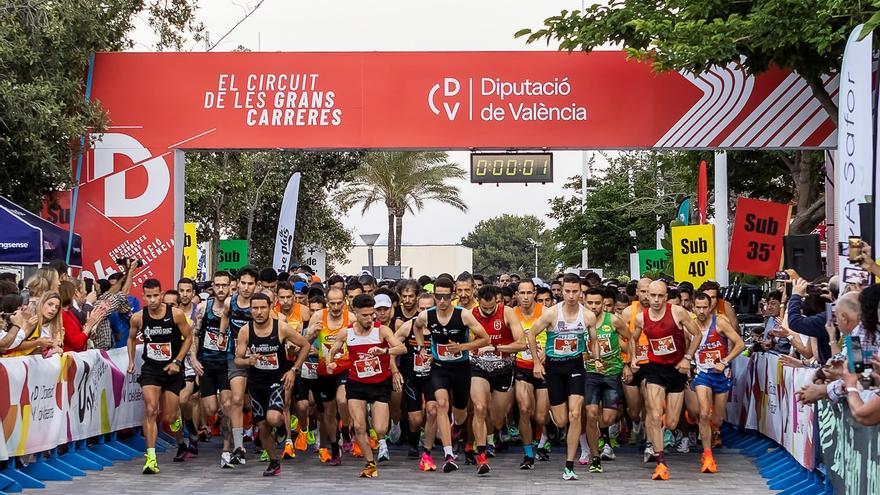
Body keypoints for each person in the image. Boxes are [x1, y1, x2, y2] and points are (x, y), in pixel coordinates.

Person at [412, 276, 490, 473]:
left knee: (461, 413)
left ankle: (456, 426)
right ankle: (448, 455)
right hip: (439, 367)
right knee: (441, 404)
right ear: (434, 296)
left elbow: (485, 338)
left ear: (452, 295)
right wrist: (422, 347)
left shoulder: (463, 315)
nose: (442, 301)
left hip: (461, 368)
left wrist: (462, 347)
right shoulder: (427, 316)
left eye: (446, 297)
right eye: (438, 296)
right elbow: (417, 327)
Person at [527, 273, 598, 481]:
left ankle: (569, 464)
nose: (571, 295)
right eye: (567, 291)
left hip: (576, 366)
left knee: (576, 414)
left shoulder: (588, 316)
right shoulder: (551, 314)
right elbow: (531, 334)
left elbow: (593, 341)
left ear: (581, 293)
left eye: (575, 291)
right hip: (555, 368)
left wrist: (595, 356)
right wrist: (537, 363)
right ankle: (552, 427)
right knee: (561, 420)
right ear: (562, 291)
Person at [326, 293, 405, 478]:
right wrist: (330, 363)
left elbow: (402, 348)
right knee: (360, 426)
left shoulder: (382, 331)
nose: (370, 318)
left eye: (372, 314)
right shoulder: (347, 332)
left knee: (379, 428)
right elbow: (333, 349)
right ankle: (370, 463)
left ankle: (378, 437)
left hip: (379, 385)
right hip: (356, 384)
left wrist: (384, 350)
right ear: (355, 312)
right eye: (365, 315)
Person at [630, 280, 702, 481]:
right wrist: (634, 357)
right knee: (654, 413)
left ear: (666, 296)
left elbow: (696, 334)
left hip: (676, 369)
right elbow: (632, 339)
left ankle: (659, 435)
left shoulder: (677, 312)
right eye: (652, 296)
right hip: (654, 369)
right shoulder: (640, 318)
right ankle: (660, 462)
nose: (655, 300)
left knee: (670, 422)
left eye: (660, 296)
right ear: (645, 296)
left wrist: (687, 358)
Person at [235, 292, 310, 476]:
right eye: (255, 308)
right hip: (255, 383)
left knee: (273, 419)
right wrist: (248, 361)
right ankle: (274, 461)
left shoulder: (281, 328)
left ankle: (283, 426)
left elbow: (305, 345)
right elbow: (238, 359)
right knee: (263, 427)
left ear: (270, 308)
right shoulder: (246, 330)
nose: (259, 312)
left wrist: (294, 369)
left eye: (262, 308)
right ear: (250, 309)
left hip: (276, 381)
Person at [127, 278, 193, 475]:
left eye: (156, 295)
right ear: (144, 296)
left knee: (170, 416)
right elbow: (130, 338)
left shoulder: (176, 314)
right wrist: (131, 360)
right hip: (151, 370)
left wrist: (178, 361)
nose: (153, 300)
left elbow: (188, 337)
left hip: (172, 370)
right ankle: (151, 457)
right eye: (149, 296)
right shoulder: (138, 318)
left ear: (162, 294)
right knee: (151, 410)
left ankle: (180, 434)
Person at [469, 285, 525, 474]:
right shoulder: (471, 314)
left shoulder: (507, 313)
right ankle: (482, 456)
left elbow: (521, 343)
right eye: (484, 308)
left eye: (491, 308)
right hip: (478, 367)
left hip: (503, 369)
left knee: (497, 419)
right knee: (479, 408)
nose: (487, 311)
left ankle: (492, 435)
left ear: (497, 302)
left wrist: (495, 348)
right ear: (478, 303)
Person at [689, 292, 745, 473]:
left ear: (710, 307)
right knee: (704, 413)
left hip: (720, 375)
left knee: (717, 420)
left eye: (705, 307)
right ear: (693, 307)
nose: (701, 311)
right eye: (698, 307)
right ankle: (707, 455)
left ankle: (711, 435)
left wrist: (725, 361)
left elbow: (740, 344)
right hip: (702, 374)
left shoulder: (719, 323)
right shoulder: (690, 325)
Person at [582, 287, 632, 473]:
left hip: (612, 374)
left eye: (597, 303)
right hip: (590, 374)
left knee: (608, 417)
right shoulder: (580, 321)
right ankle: (595, 457)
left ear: (604, 303)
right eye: (590, 303)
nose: (594, 306)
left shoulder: (614, 320)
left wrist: (629, 363)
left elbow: (630, 339)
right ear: (584, 302)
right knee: (591, 413)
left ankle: (602, 434)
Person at [190, 271, 236, 468]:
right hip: (207, 363)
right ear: (213, 287)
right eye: (217, 285)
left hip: (227, 363)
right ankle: (230, 425)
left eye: (225, 285)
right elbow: (195, 335)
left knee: (227, 405)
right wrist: (193, 357)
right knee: (211, 409)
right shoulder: (203, 308)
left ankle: (227, 449)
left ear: (230, 286)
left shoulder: (236, 308)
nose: (221, 289)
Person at [305, 287, 353, 465]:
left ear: (345, 301)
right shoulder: (318, 317)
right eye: (332, 303)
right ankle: (334, 446)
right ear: (327, 302)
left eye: (339, 303)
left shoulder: (351, 319)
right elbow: (306, 342)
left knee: (342, 400)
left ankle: (346, 428)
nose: (335, 307)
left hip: (344, 368)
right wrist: (312, 333)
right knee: (329, 412)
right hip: (324, 370)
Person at [219, 265, 258, 465]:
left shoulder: (260, 304)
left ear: (256, 285)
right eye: (243, 283)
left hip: (259, 358)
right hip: (234, 356)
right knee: (236, 399)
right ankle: (237, 445)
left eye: (250, 284)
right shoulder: (230, 302)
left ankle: (262, 435)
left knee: (255, 403)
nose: (246, 287)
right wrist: (221, 334)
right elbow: (225, 315)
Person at [513, 279, 550, 468]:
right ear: (517, 295)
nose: (526, 297)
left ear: (534, 293)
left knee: (541, 416)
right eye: (522, 293)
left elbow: (555, 335)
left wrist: (545, 353)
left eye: (529, 293)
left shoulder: (544, 312)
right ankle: (528, 454)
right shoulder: (512, 314)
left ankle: (539, 439)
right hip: (521, 367)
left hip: (543, 368)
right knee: (525, 409)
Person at [394, 292, 436, 461]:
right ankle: (413, 440)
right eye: (422, 308)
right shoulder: (408, 326)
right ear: (418, 308)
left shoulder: (440, 326)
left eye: (429, 308)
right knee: (415, 418)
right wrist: (394, 370)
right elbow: (392, 345)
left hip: (434, 376)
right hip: (412, 376)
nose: (425, 313)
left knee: (432, 410)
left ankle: (428, 449)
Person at [4, 290, 65, 357]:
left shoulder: (55, 328)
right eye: (50, 304)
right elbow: (13, 345)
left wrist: (54, 349)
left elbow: (38, 352)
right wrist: (37, 342)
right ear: (41, 303)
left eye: (57, 307)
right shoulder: (32, 321)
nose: (53, 309)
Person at [59, 280, 107, 352]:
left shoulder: (68, 312)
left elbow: (81, 337)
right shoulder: (63, 314)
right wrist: (88, 327)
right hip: (70, 358)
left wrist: (88, 327)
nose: (85, 292)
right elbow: (76, 343)